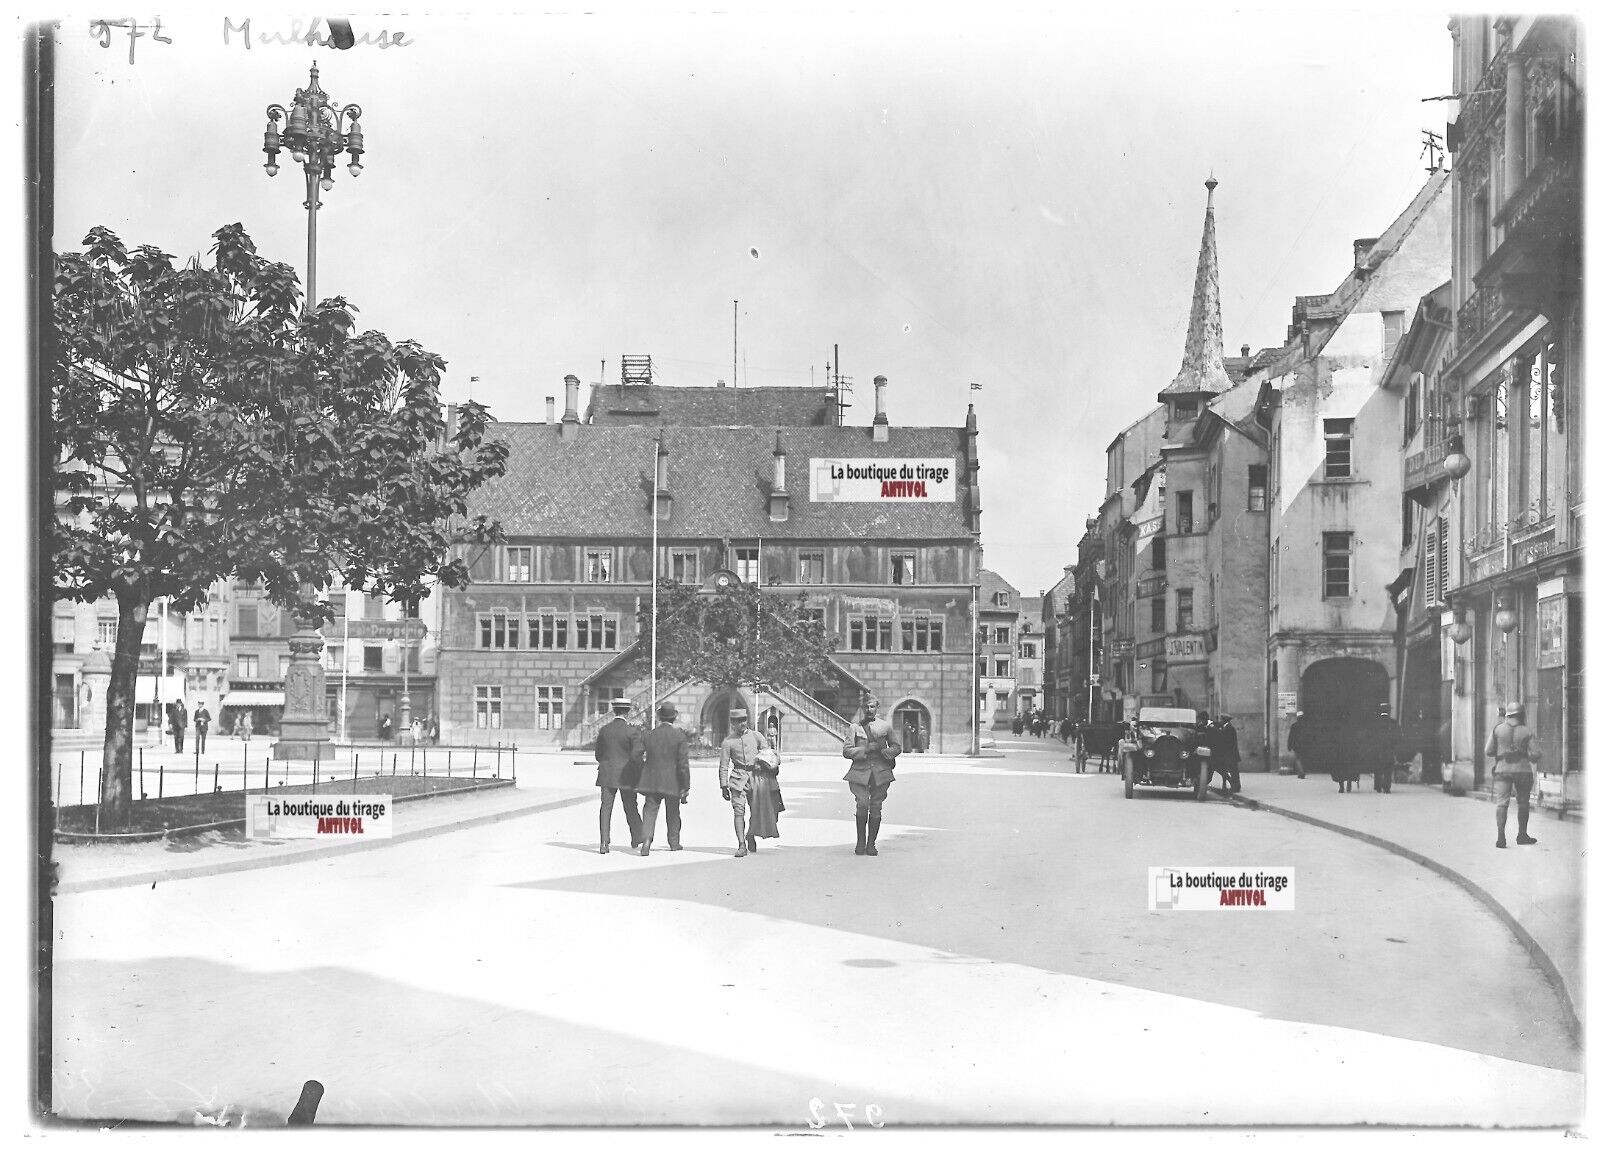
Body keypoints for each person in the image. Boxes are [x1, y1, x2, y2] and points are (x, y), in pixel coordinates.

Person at [844, 695, 901, 857]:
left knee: (876, 808)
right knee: (862, 805)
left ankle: (871, 844)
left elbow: (897, 747)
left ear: (877, 708)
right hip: (860, 773)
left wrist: (886, 752)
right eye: (866, 707)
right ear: (862, 709)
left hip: (880, 773)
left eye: (872, 707)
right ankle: (860, 842)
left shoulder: (885, 727)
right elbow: (846, 751)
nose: (869, 710)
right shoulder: (854, 728)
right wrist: (865, 749)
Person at [637, 701, 692, 855]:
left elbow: (636, 755)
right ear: (674, 717)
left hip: (652, 779)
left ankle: (646, 842)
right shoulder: (679, 737)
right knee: (673, 812)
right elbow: (683, 765)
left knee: (649, 810)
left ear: (659, 717)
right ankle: (674, 842)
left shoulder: (648, 735)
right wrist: (685, 786)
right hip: (672, 781)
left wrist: (644, 769)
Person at [592, 696, 644, 854]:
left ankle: (604, 842)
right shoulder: (632, 731)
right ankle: (637, 836)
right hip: (626, 775)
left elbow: (598, 755)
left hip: (607, 774)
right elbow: (636, 757)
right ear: (628, 712)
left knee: (606, 808)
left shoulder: (604, 730)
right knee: (630, 806)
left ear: (614, 711)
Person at [1485, 703, 1542, 849]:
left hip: (1502, 769)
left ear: (1508, 715)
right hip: (1523, 770)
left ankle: (1501, 837)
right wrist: (1526, 754)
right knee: (1523, 802)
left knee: (1502, 803)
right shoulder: (1527, 731)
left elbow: (1488, 751)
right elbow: (1536, 755)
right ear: (1522, 714)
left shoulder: (1497, 729)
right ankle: (1522, 835)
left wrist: (1502, 750)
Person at [719, 708, 771, 857]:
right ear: (732, 723)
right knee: (738, 812)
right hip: (737, 779)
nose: (742, 723)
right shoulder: (728, 742)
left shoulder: (756, 736)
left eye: (744, 720)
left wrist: (764, 764)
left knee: (756, 811)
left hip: (756, 778)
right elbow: (723, 765)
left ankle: (750, 834)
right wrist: (723, 786)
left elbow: (767, 755)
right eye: (738, 721)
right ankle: (741, 844)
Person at [746, 744, 785, 851]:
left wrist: (772, 762)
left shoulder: (771, 755)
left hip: (771, 787)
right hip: (755, 786)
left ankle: (753, 833)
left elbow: (775, 771)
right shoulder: (751, 757)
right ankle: (750, 835)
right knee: (756, 813)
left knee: (774, 814)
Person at [1371, 706, 1400, 794]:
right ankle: (1386, 787)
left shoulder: (1376, 723)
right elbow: (1398, 736)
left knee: (1378, 768)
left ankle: (1378, 786)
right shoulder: (1393, 723)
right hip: (1389, 749)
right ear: (1389, 711)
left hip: (1378, 749)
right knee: (1388, 768)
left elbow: (1371, 737)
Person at [1210, 714, 1241, 796]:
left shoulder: (1229, 729)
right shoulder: (1227, 727)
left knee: (1233, 771)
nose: (1220, 721)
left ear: (1224, 720)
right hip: (1229, 754)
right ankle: (1235, 786)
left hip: (1231, 754)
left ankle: (1236, 787)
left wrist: (1215, 729)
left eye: (1221, 719)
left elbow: (1223, 738)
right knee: (1233, 771)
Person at [1287, 711, 1307, 779]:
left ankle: (1301, 773)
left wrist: (1289, 745)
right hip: (1304, 744)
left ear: (1297, 718)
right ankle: (1302, 772)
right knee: (1303, 758)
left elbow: (1291, 736)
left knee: (1298, 759)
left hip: (1296, 745)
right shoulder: (1306, 725)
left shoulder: (1294, 725)